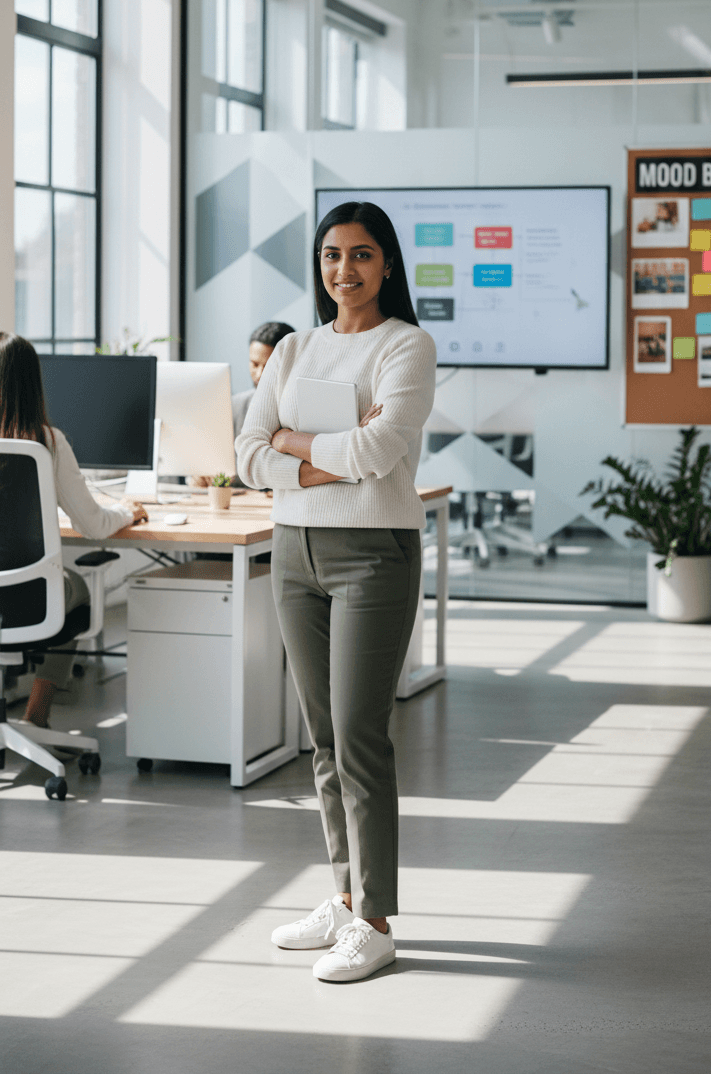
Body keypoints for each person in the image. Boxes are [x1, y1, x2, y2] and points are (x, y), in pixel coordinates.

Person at [236, 202, 436, 983]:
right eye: (330, 256)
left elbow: (383, 450)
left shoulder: (406, 346)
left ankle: (378, 922)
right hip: (294, 551)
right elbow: (249, 454)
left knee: (359, 738)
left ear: (385, 264)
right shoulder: (292, 350)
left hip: (373, 554)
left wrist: (292, 445)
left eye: (359, 255)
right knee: (321, 742)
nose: (342, 271)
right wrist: (317, 456)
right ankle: (346, 897)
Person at [0, 333, 148, 730]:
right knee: (74, 589)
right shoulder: (47, 442)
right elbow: (94, 525)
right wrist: (127, 512)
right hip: (29, 600)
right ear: (33, 383)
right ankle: (37, 714)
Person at [190, 322, 294, 487]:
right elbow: (211, 463)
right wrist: (200, 474)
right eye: (254, 364)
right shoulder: (234, 406)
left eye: (268, 366)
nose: (259, 374)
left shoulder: (300, 413)